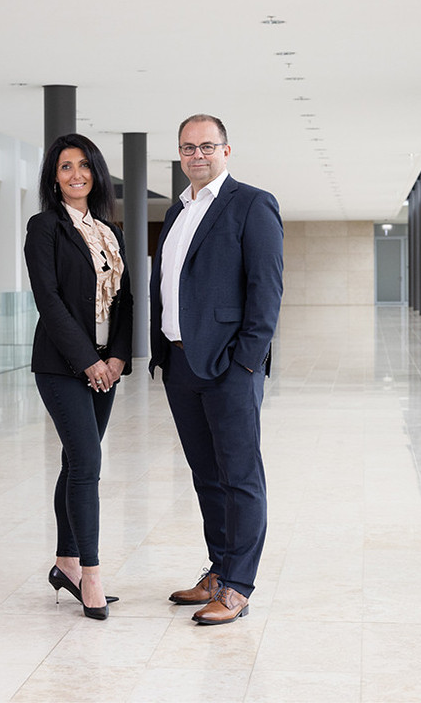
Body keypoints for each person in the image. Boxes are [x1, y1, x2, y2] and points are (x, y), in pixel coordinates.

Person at [149, 114, 284, 625]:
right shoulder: (177, 211)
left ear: (227, 151)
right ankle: (220, 567)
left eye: (207, 146)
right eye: (188, 148)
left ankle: (239, 586)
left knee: (241, 476)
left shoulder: (251, 203)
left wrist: (246, 362)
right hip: (181, 361)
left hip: (230, 366)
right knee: (206, 474)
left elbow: (265, 290)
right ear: (179, 155)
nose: (197, 155)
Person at [24, 133, 133, 621]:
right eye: (65, 166)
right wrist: (88, 360)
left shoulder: (112, 232)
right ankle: (90, 573)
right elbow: (48, 299)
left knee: (75, 461)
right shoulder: (44, 227)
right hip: (62, 365)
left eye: (84, 165)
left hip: (106, 365)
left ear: (97, 173)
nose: (75, 174)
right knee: (88, 461)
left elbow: (125, 300)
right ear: (54, 176)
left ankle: (65, 561)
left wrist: (119, 358)